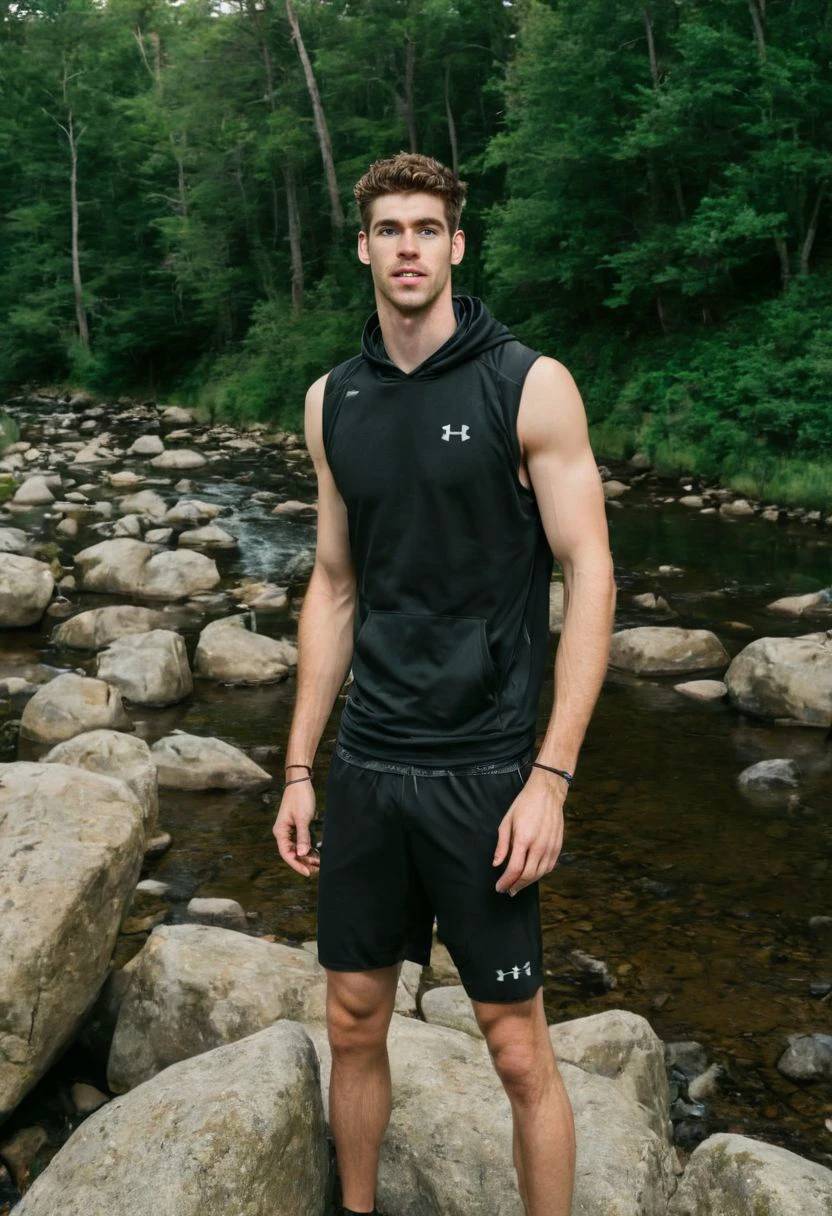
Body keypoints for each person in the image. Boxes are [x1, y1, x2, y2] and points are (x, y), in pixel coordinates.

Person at [273, 151, 617, 1216]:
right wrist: (297, 766)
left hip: (485, 769)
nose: (409, 246)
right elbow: (333, 586)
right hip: (372, 766)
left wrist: (550, 777)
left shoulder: (527, 381)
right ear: (364, 246)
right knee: (353, 1020)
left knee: (517, 1048)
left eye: (428, 227)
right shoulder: (334, 400)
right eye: (390, 229)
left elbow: (592, 573)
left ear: (457, 245)